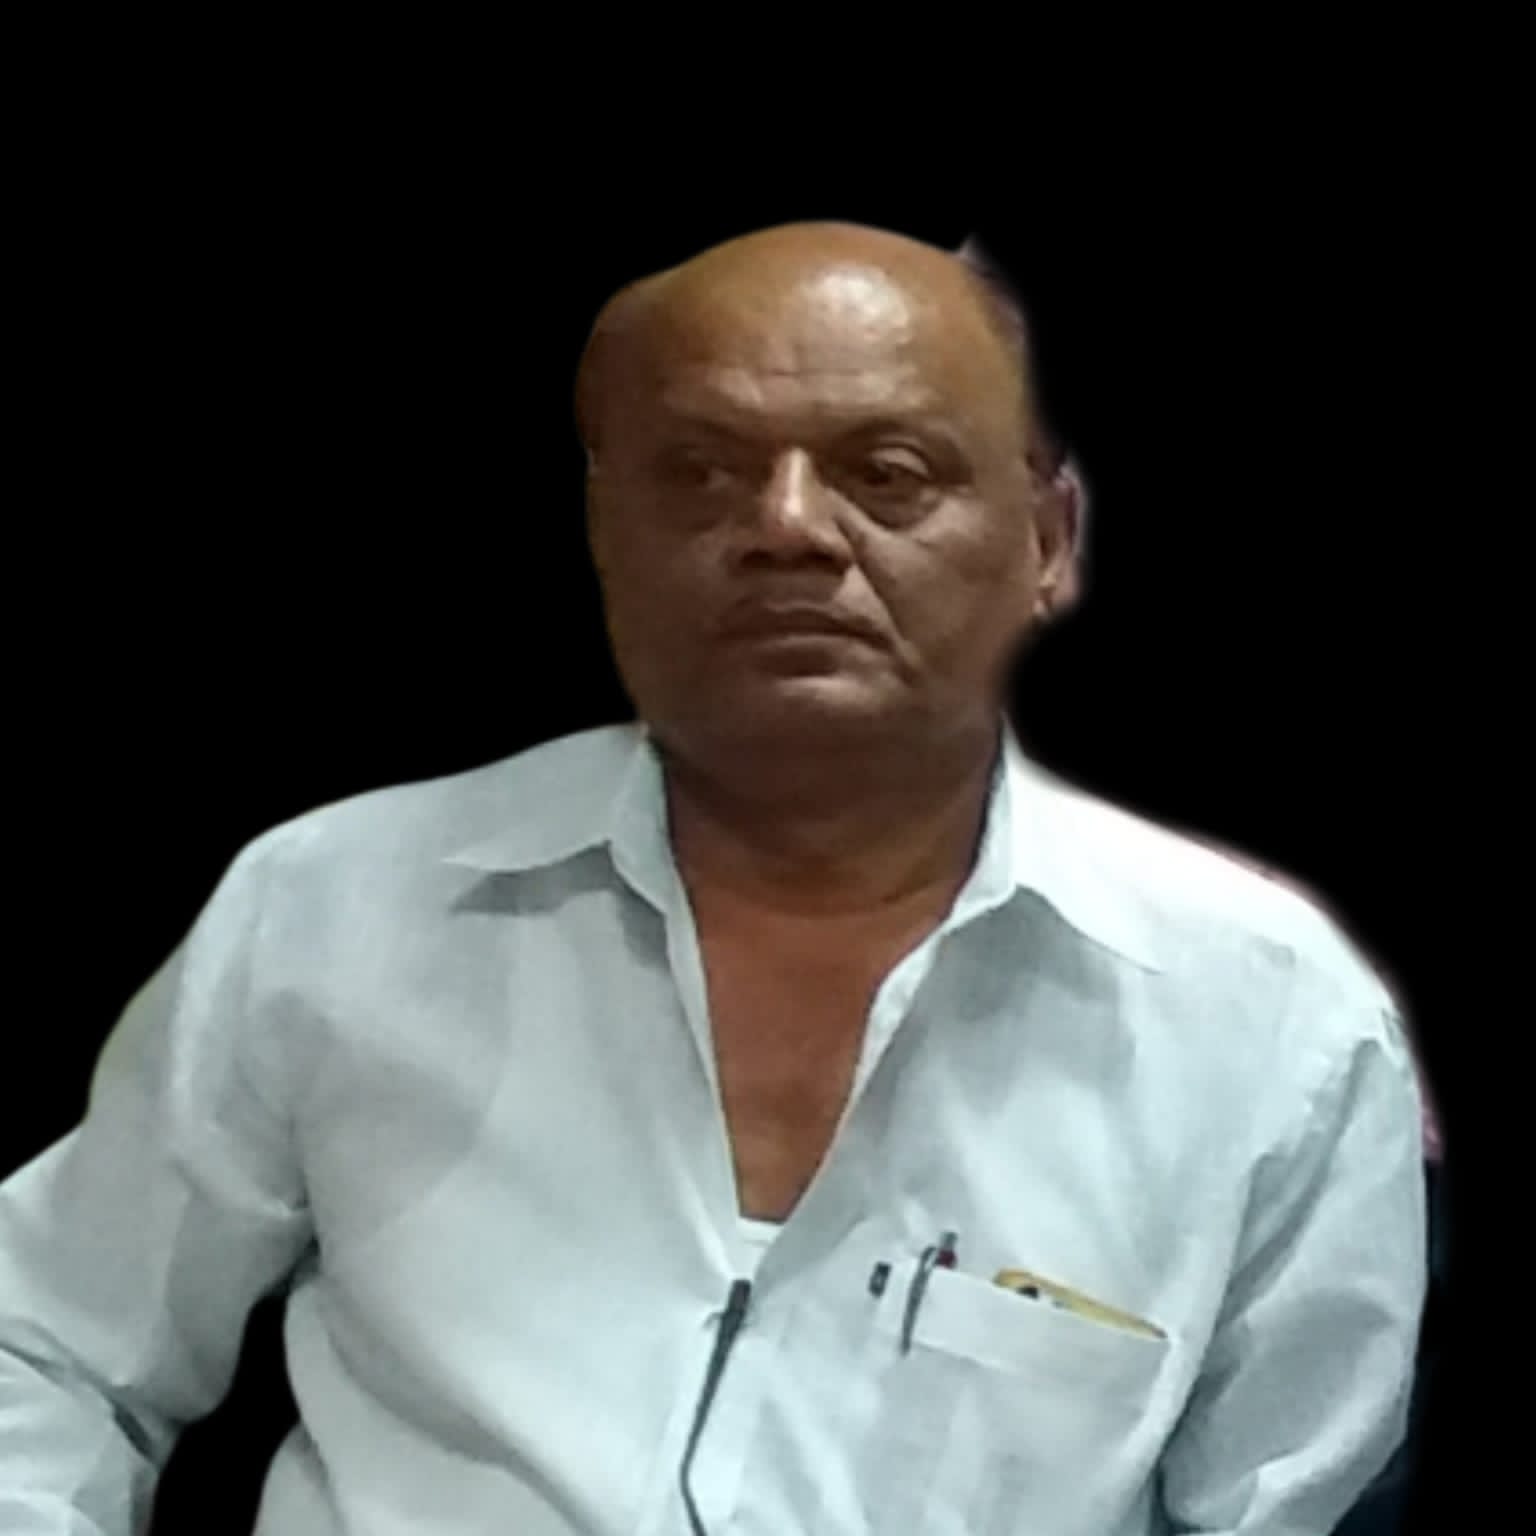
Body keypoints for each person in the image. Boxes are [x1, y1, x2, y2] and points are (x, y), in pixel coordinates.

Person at [0, 221, 1427, 1534]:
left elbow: (1287, 1510)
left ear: (1044, 541)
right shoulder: (339, 906)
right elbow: (46, 1340)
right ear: (602, 532)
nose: (787, 524)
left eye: (887, 472)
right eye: (698, 471)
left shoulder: (1264, 1018)